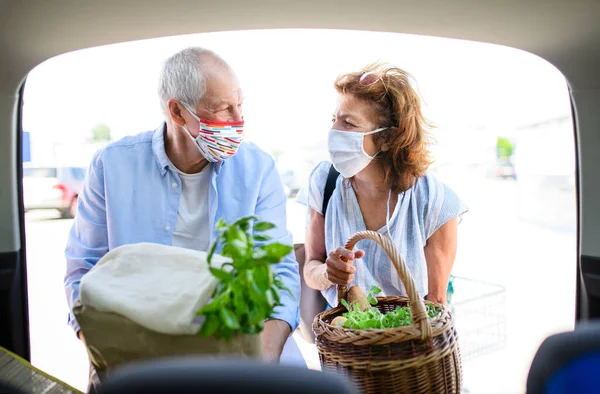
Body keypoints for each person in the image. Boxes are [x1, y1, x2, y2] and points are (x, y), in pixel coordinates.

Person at [64, 47, 301, 386]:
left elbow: (279, 274)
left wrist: (259, 365)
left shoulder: (258, 169)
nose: (238, 119)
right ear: (177, 111)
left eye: (240, 104)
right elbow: (82, 273)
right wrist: (106, 356)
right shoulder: (111, 166)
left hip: (234, 352)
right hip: (135, 357)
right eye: (222, 108)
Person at [299, 63, 467, 308]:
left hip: (408, 336)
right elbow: (311, 266)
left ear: (387, 138)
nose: (333, 132)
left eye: (349, 123)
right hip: (345, 335)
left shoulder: (434, 202)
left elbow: (436, 302)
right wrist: (327, 273)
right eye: (334, 119)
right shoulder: (324, 183)